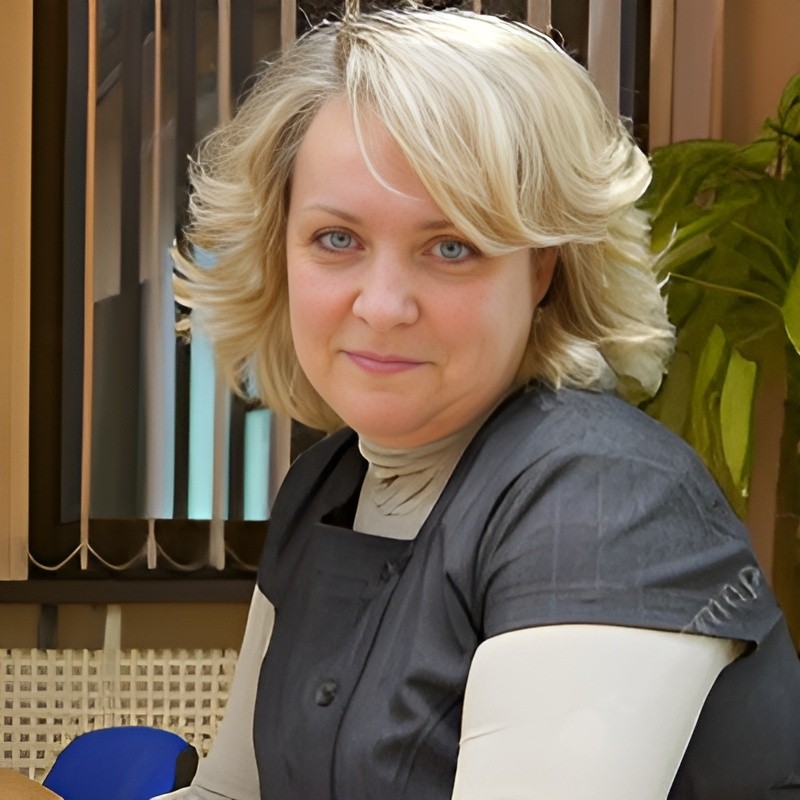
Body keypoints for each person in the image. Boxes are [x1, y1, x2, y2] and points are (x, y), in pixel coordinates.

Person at [157, 6, 800, 799]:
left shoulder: (604, 501)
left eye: (451, 247)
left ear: (542, 270)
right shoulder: (327, 483)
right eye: (337, 239)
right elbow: (230, 794)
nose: (382, 305)